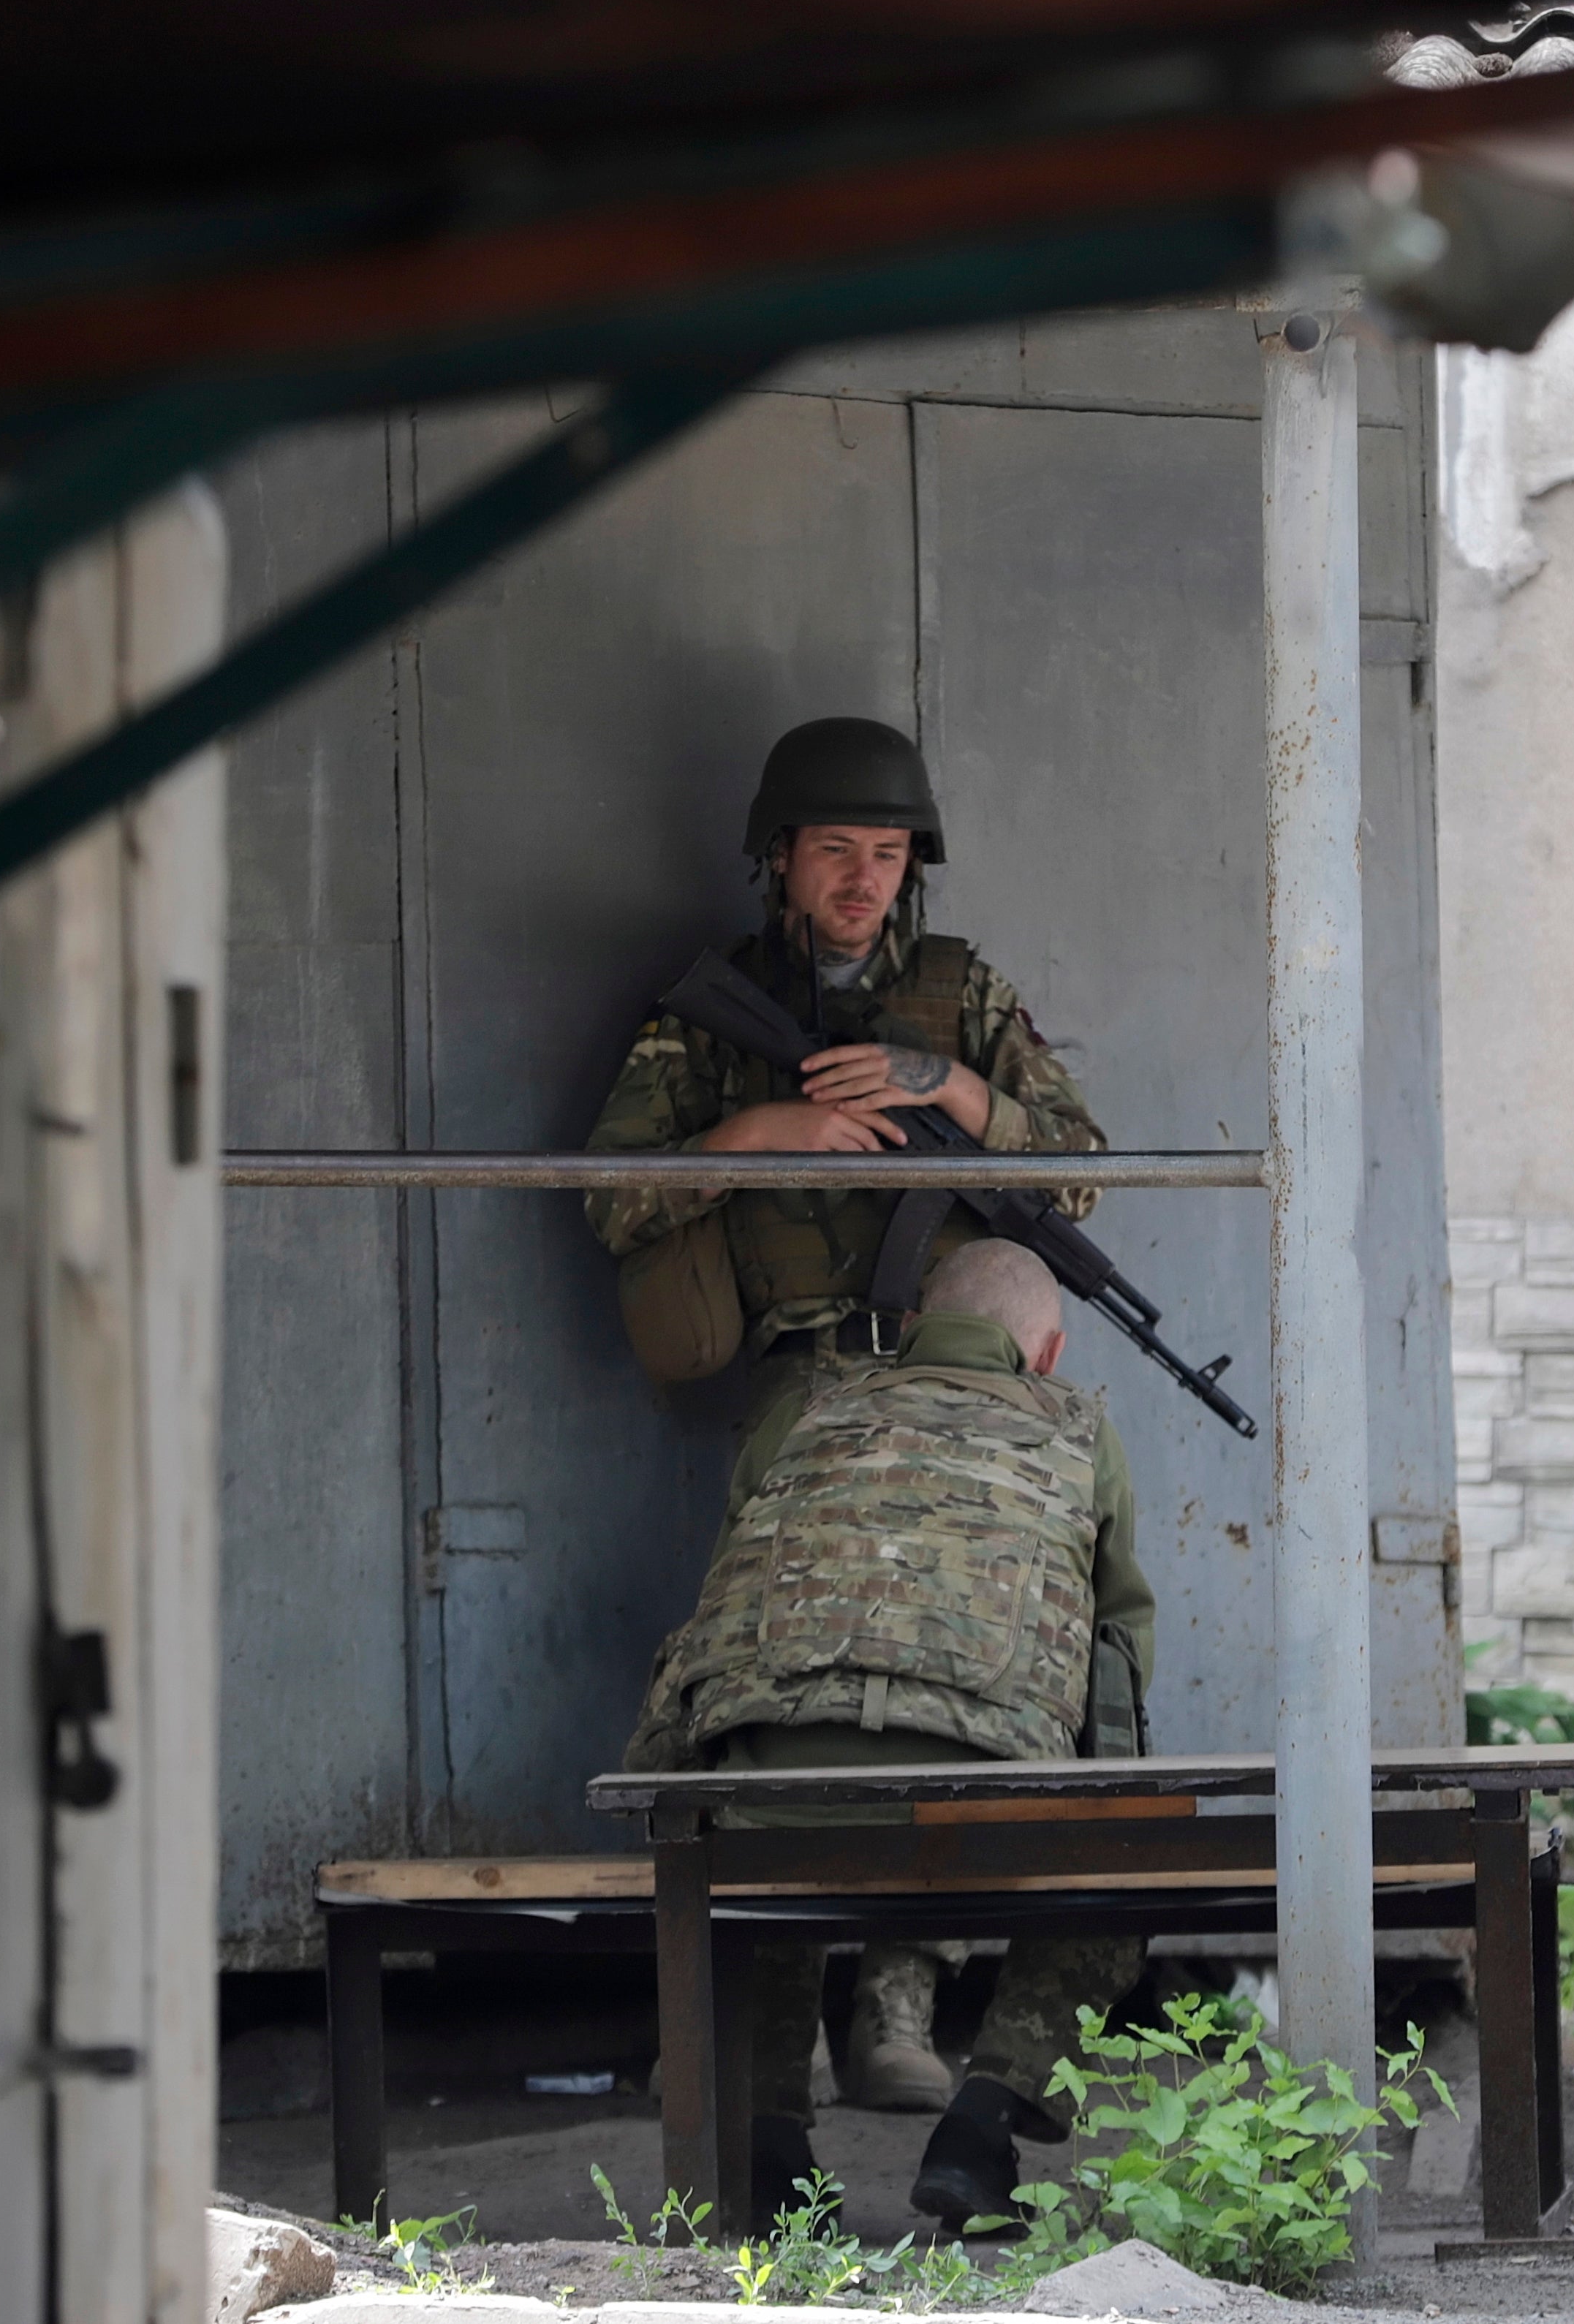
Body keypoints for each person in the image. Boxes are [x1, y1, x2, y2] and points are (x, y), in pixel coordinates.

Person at [585, 716, 1112, 2117]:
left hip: (954, 1393)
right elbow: (597, 1190)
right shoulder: (712, 1013)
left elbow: (1087, 1171)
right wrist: (754, 1140)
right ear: (780, 860)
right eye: (836, 852)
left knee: (946, 1683)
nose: (863, 881)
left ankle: (897, 2005)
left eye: (886, 855)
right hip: (805, 1400)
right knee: (788, 1679)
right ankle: (768, 2017)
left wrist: (950, 1087)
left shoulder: (957, 996)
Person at [627, 1238, 1156, 2228]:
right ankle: (981, 2124)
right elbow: (1117, 1653)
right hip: (977, 1802)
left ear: (910, 1331)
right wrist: (1105, 1819)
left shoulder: (807, 1405)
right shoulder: (1080, 1429)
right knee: (1123, 1883)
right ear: (1047, 1354)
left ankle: (773, 2150)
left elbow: (727, 1594)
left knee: (767, 1853)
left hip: (770, 1786)